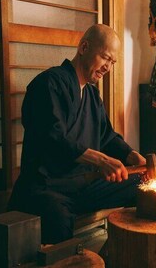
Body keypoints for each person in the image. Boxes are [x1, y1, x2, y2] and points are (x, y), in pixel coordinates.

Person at [8, 24, 146, 244]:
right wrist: (101, 160)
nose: (108, 68)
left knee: (142, 186)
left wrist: (132, 156)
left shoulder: (91, 94)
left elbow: (107, 136)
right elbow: (52, 137)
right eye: (105, 58)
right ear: (84, 47)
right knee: (59, 222)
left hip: (81, 186)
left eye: (112, 62)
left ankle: (117, 252)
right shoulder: (48, 83)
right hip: (47, 187)